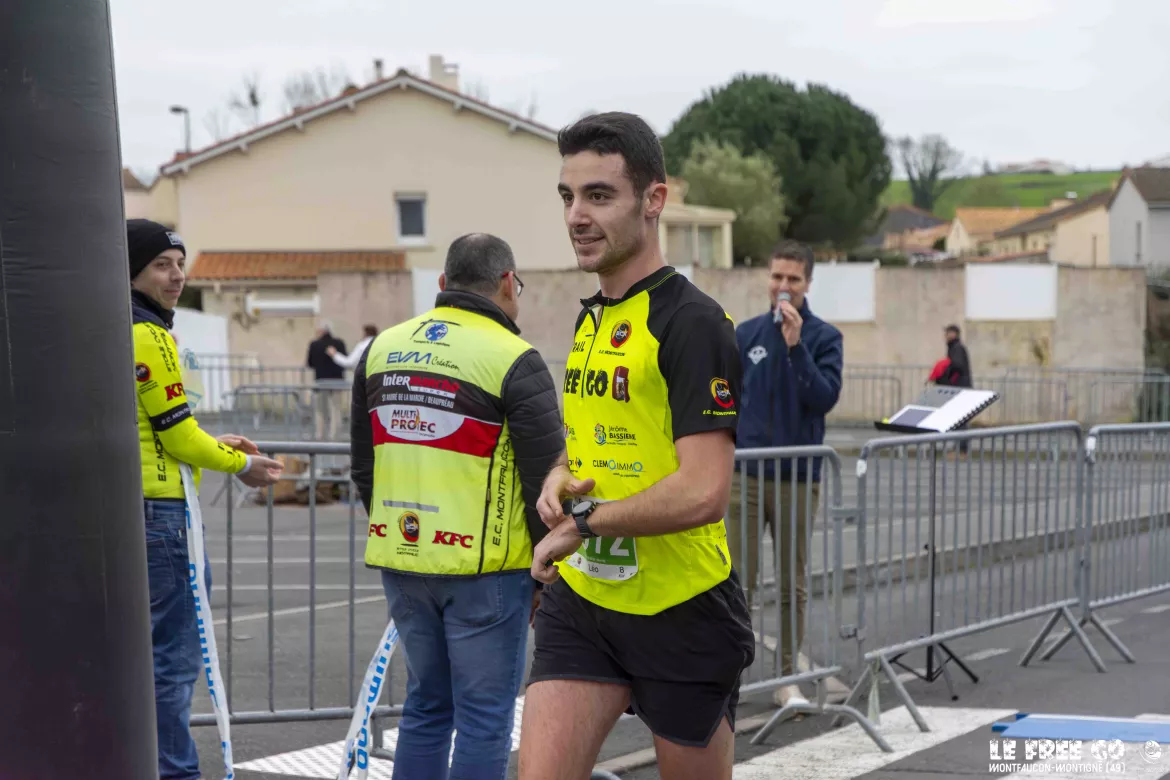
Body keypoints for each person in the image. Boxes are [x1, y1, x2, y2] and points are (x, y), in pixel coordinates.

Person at [518, 112, 755, 780]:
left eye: (599, 195)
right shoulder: (593, 317)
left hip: (681, 606)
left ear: (655, 200)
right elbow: (589, 441)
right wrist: (560, 476)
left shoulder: (694, 323)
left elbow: (704, 491)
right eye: (568, 196)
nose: (576, 216)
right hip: (585, 602)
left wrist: (583, 524)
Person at [350, 233, 563, 780]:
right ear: (508, 283)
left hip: (403, 562)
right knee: (484, 719)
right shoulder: (514, 358)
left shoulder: (380, 350)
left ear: (444, 284)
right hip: (488, 572)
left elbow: (364, 467)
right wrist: (545, 571)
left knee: (426, 706)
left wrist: (402, 535)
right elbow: (544, 482)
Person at [127, 218, 283, 780]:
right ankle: (177, 773)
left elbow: (153, 428)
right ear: (131, 271)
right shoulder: (149, 334)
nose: (176, 276)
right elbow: (175, 436)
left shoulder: (115, 325)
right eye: (161, 265)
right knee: (172, 666)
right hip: (164, 517)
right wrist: (242, 465)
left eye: (179, 264)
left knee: (140, 663)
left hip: (135, 510)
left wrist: (214, 444)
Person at [728, 239, 843, 709]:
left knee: (792, 583)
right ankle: (731, 677)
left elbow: (824, 397)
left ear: (807, 284)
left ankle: (786, 676)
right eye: (777, 276)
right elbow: (728, 399)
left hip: (797, 477)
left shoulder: (825, 337)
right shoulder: (747, 334)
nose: (783, 285)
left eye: (793, 279)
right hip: (747, 476)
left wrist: (797, 348)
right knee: (739, 580)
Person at [306, 320, 348, 439]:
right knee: (336, 409)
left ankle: (320, 434)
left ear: (321, 331)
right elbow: (344, 359)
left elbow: (310, 363)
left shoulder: (314, 344)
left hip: (321, 381)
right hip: (337, 381)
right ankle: (334, 435)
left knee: (320, 409)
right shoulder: (339, 343)